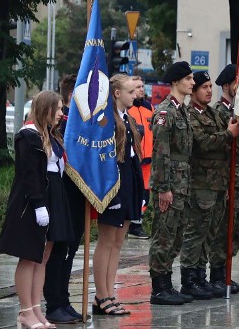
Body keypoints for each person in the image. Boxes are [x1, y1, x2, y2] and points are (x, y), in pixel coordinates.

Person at [0, 91, 72, 329]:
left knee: (43, 258)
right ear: (46, 109)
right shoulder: (28, 136)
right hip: (33, 201)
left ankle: (37, 309)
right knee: (29, 257)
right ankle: (25, 311)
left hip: (54, 197)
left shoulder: (51, 135)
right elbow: (29, 174)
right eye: (58, 109)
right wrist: (39, 205)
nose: (61, 114)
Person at [181, 70, 239, 299]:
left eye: (209, 87)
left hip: (218, 183)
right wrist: (227, 134)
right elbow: (203, 143)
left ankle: (201, 277)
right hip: (201, 183)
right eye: (204, 87)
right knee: (196, 232)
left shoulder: (213, 114)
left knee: (210, 232)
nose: (208, 91)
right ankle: (189, 279)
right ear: (194, 91)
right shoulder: (191, 115)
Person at [92, 74, 144, 315]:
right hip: (113, 184)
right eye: (131, 91)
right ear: (116, 93)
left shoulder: (127, 118)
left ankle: (110, 293)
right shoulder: (107, 120)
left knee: (118, 242)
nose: (135, 95)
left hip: (129, 182)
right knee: (106, 241)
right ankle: (101, 295)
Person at [147, 61, 195, 305]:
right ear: (176, 82)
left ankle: (167, 281)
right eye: (188, 79)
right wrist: (164, 188)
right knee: (164, 234)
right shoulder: (166, 112)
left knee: (176, 235)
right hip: (170, 184)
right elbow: (160, 153)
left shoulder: (183, 110)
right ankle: (159, 287)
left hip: (182, 182)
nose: (193, 83)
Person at [43, 74, 86, 324]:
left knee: (69, 251)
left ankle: (63, 299)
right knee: (59, 250)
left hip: (76, 196)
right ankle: (54, 302)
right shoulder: (63, 126)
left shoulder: (81, 124)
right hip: (60, 196)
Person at [214, 63, 239, 293]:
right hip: (225, 177)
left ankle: (226, 273)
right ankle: (218, 276)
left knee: (236, 228)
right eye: (237, 82)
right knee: (222, 230)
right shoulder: (220, 111)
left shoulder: (238, 111)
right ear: (227, 85)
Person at [127, 75, 154, 239]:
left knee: (145, 194)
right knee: (134, 191)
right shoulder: (128, 109)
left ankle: (138, 224)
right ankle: (132, 225)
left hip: (149, 158)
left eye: (142, 86)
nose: (142, 89)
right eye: (138, 87)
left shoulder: (149, 108)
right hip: (134, 158)